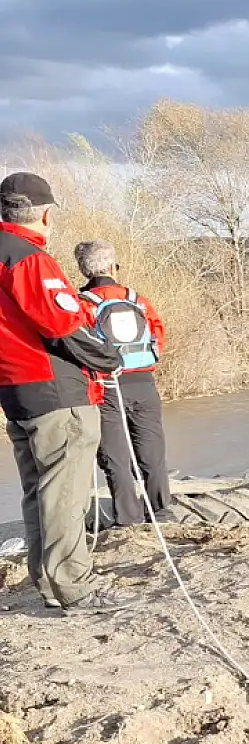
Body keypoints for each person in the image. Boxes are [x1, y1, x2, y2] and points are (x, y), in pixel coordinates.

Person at [0, 172, 131, 615]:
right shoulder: (29, 259)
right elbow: (62, 325)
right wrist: (107, 359)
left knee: (39, 492)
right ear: (45, 214)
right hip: (55, 393)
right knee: (67, 494)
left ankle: (49, 581)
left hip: (15, 392)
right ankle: (75, 587)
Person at [76, 241, 173, 527]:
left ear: (84, 270)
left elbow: (77, 345)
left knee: (115, 457)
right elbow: (158, 335)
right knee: (152, 451)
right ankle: (162, 512)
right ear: (112, 267)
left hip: (106, 386)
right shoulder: (137, 300)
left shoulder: (82, 304)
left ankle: (128, 518)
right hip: (144, 381)